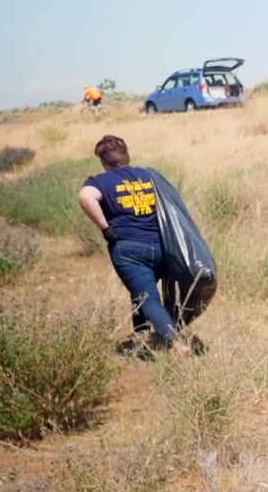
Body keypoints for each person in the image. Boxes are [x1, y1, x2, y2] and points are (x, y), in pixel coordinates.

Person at [76, 134, 194, 356]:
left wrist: (105, 228)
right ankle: (142, 335)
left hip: (129, 250)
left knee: (146, 296)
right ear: (126, 155)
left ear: (103, 162)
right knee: (139, 292)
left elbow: (85, 197)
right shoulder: (149, 176)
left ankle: (175, 344)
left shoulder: (101, 181)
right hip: (162, 247)